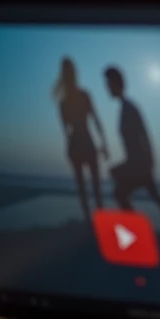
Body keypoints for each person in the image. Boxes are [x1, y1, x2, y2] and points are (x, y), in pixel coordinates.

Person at [104, 65, 160, 233]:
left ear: (116, 84)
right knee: (153, 196)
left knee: (121, 193)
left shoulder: (129, 108)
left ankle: (140, 230)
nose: (107, 88)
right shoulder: (125, 107)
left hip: (139, 164)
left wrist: (149, 161)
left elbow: (143, 134)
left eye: (109, 84)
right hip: (137, 162)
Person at [53, 57, 109, 221]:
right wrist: (104, 143)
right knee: (94, 186)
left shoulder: (64, 101)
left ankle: (90, 219)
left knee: (84, 187)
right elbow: (95, 120)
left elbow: (66, 130)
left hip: (76, 143)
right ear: (75, 74)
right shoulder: (80, 96)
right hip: (84, 141)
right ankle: (96, 219)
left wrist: (103, 143)